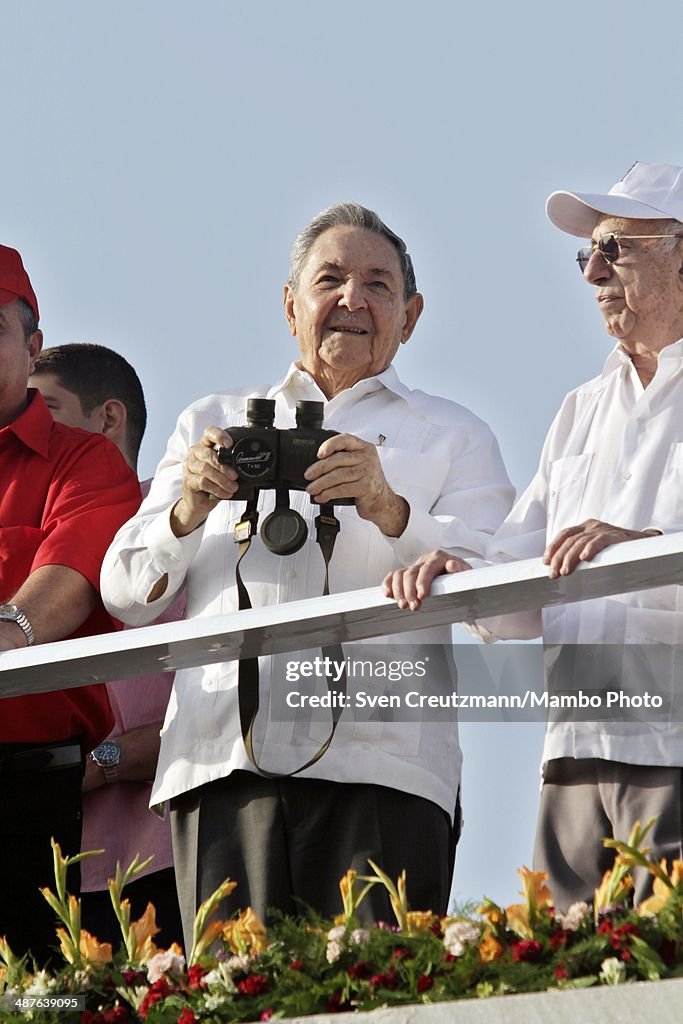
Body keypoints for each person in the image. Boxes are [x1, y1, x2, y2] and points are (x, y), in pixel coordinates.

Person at [101, 202, 514, 940]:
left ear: (410, 315)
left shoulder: (453, 434)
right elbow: (126, 593)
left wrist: (391, 509)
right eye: (330, 279)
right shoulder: (214, 422)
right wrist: (187, 509)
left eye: (377, 285)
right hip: (222, 757)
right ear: (289, 304)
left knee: (377, 995)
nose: (352, 300)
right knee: (232, 999)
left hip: (384, 765)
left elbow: (502, 599)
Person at [384, 161, 683, 909]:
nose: (592, 272)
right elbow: (515, 585)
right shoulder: (579, 409)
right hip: (573, 752)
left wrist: (643, 542)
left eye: (615, 248)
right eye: (587, 253)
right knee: (570, 983)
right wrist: (462, 576)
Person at [0, 248, 141, 962]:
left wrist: (9, 631)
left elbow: (64, 583)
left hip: (27, 786)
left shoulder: (85, 461)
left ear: (32, 348)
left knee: (36, 993)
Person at [30, 343, 184, 949]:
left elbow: (221, 707)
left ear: (109, 418)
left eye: (47, 410)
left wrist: (104, 763)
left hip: (163, 860)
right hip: (44, 865)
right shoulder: (36, 545)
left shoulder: (183, 531)